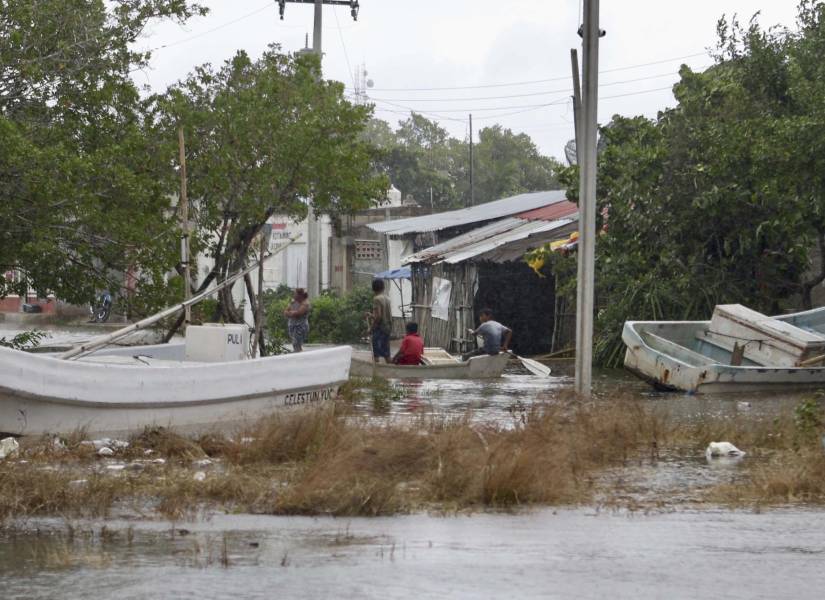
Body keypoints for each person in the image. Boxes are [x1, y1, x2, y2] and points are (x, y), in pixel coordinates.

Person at [367, 278, 393, 363]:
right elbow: (383, 314)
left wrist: (371, 328)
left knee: (376, 354)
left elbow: (378, 317)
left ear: (373, 288)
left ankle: (376, 373)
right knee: (386, 353)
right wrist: (371, 315)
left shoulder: (376, 299)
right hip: (387, 328)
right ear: (383, 287)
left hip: (380, 329)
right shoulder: (387, 298)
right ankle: (391, 372)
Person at [284, 288, 310, 352]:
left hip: (300, 327)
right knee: (295, 344)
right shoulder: (293, 302)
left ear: (300, 295)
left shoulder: (305, 303)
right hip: (292, 326)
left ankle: (299, 357)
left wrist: (291, 313)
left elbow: (298, 313)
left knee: (297, 344)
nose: (294, 295)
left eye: (295, 294)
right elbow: (285, 312)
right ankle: (298, 355)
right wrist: (291, 313)